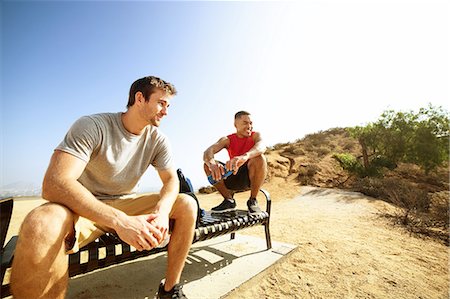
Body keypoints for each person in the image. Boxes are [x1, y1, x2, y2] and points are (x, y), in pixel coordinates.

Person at [10, 76, 197, 299]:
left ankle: (169, 289)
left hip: (124, 202)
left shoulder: (158, 140)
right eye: (161, 103)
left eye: (168, 105)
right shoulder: (93, 126)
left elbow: (171, 181)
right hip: (82, 208)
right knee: (41, 223)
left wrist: (162, 212)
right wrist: (121, 221)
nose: (166, 111)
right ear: (140, 98)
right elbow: (54, 183)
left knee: (186, 203)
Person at [203, 111, 267, 215]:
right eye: (245, 123)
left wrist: (244, 157)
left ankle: (253, 200)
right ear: (236, 125)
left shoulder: (255, 135)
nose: (249, 126)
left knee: (259, 158)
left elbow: (262, 146)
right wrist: (212, 164)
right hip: (233, 176)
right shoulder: (227, 140)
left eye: (251, 123)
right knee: (206, 165)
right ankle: (229, 200)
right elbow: (208, 151)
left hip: (251, 178)